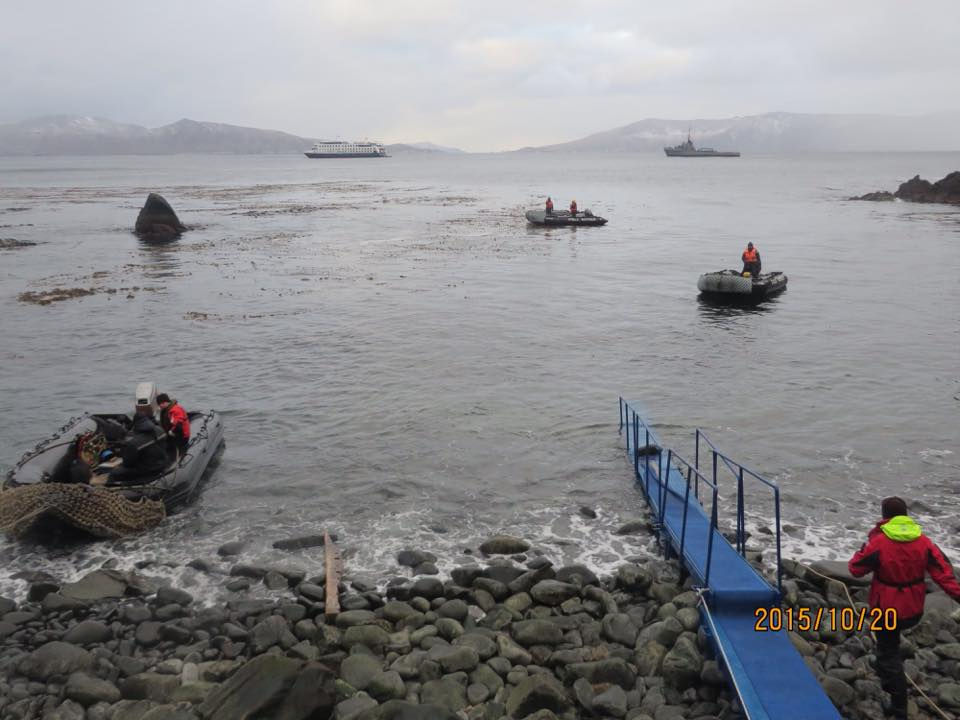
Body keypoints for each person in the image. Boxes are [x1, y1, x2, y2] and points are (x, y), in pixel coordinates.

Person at [848, 496, 960, 719]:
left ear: (884, 516)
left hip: (886, 610)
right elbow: (944, 575)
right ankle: (887, 675)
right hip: (913, 609)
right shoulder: (924, 541)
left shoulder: (879, 542)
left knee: (888, 653)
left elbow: (855, 570)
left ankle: (899, 706)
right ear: (906, 515)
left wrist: (867, 544)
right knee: (889, 647)